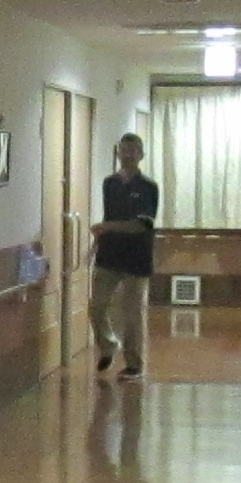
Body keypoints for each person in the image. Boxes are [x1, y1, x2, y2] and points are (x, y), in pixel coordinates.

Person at [89, 132, 158, 379]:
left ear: (141, 155)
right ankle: (108, 344)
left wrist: (107, 227)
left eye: (132, 151)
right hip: (109, 255)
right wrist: (99, 239)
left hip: (137, 258)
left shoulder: (148, 186)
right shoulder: (109, 184)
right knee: (96, 307)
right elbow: (109, 217)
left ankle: (134, 365)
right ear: (118, 153)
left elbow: (141, 225)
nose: (127, 155)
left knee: (132, 314)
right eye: (123, 150)